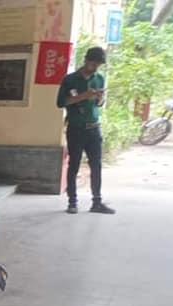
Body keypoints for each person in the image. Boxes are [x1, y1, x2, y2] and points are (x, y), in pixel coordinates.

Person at [57, 46, 115, 214]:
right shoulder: (70, 80)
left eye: (99, 64)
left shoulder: (99, 79)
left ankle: (97, 202)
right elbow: (61, 103)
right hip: (76, 128)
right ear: (87, 60)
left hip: (94, 127)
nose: (95, 67)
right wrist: (83, 96)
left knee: (96, 165)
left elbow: (98, 105)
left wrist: (99, 98)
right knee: (74, 164)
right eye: (93, 63)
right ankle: (72, 202)